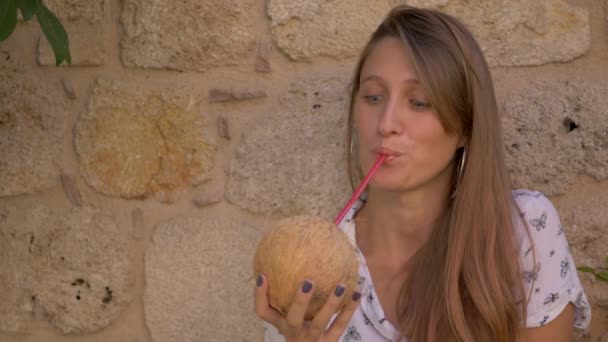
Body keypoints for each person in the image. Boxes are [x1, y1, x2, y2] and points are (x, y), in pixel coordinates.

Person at [254, 5, 591, 342]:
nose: (386, 124)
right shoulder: (306, 274)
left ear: (464, 127)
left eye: (419, 102)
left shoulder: (521, 232)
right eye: (372, 97)